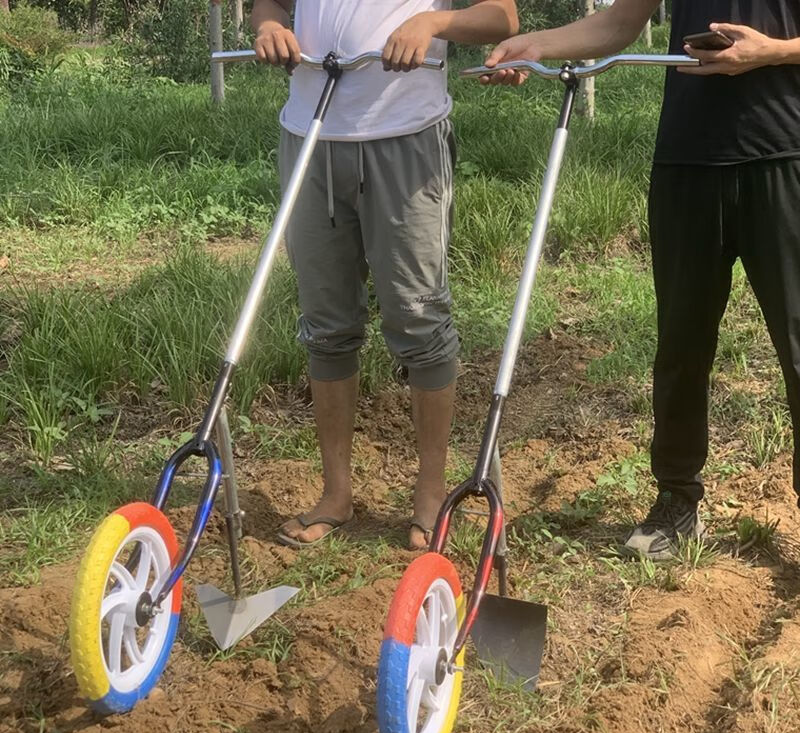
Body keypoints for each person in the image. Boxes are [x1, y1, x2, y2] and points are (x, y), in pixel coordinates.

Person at [484, 1, 800, 560]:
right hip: (687, 162)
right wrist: (536, 45)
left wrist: (771, 52)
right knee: (681, 344)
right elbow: (616, 23)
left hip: (786, 156)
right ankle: (677, 500)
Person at [251, 0, 518, 549]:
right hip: (310, 138)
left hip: (406, 137)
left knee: (419, 319)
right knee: (325, 324)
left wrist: (433, 22)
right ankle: (335, 494)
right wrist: (269, 26)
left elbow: (502, 17)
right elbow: (271, 4)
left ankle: (430, 494)